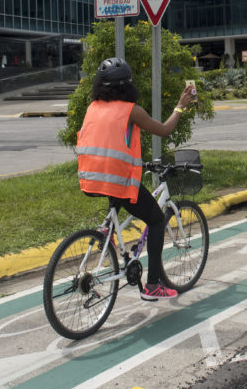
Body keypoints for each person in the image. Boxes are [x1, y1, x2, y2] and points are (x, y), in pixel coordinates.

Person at [76, 57, 197, 301]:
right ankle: (153, 286)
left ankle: (116, 254)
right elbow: (164, 131)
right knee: (155, 219)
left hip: (90, 178)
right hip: (117, 180)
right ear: (127, 85)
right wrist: (180, 106)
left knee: (120, 211)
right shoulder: (131, 110)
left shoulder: (93, 107)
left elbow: (107, 142)